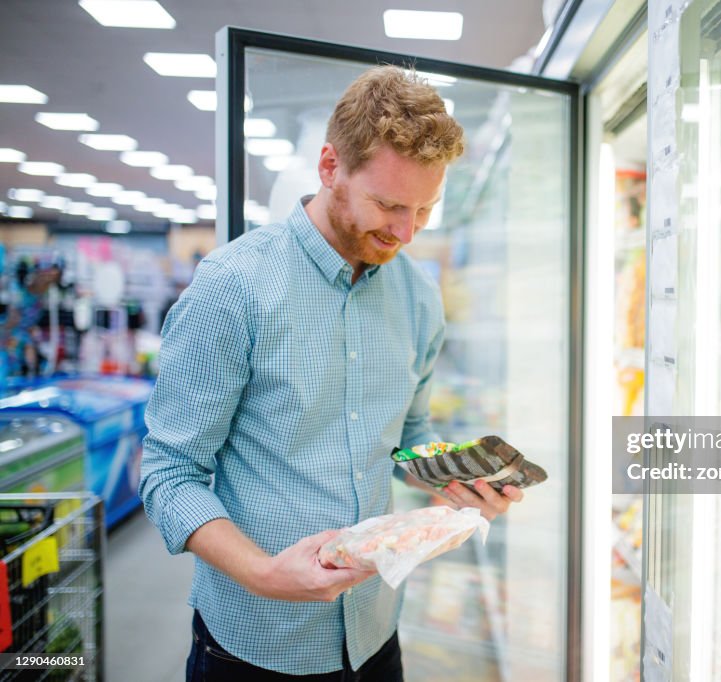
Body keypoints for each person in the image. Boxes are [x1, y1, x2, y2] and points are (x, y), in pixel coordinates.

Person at [139, 66, 524, 681]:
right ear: (329, 167)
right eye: (389, 204)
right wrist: (265, 573)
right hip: (254, 643)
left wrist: (456, 481)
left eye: (424, 210)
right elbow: (168, 473)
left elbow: (408, 440)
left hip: (375, 633)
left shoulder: (418, 299)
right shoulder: (233, 287)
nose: (405, 231)